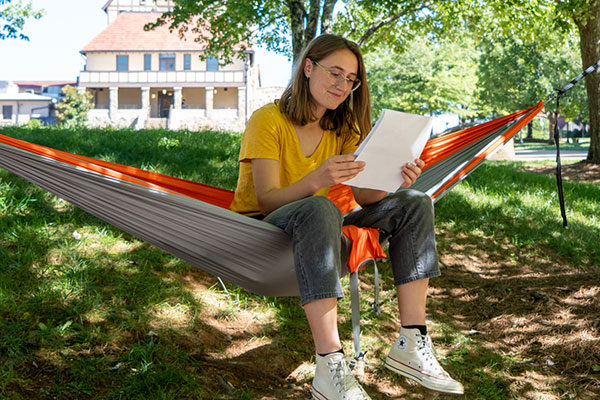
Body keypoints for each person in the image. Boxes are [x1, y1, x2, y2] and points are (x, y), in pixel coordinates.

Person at [230, 34, 463, 399]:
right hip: (262, 234)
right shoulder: (268, 120)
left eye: (350, 79)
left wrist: (395, 178)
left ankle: (412, 342)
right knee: (322, 206)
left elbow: (366, 197)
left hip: (316, 235)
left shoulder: (342, 127)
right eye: (334, 73)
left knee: (415, 202)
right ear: (308, 67)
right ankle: (329, 364)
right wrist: (318, 179)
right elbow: (268, 202)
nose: (342, 86)